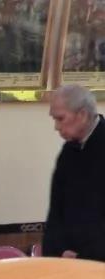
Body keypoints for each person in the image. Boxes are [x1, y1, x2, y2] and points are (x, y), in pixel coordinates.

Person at [42, 84, 105, 261]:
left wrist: (86, 256)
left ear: (82, 115)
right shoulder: (68, 152)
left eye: (60, 118)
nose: (56, 127)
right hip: (68, 260)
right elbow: (56, 210)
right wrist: (59, 250)